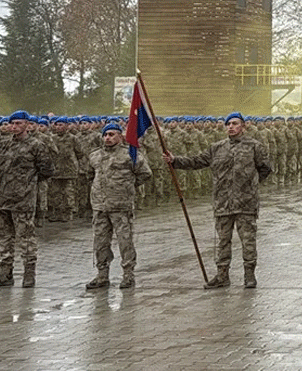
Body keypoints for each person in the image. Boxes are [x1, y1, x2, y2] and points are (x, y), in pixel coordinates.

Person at [165, 111, 273, 289]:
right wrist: (175, 160)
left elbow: (265, 168)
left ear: (243, 126)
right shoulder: (217, 147)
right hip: (223, 203)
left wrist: (250, 185)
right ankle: (222, 275)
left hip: (246, 204)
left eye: (235, 123)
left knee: (248, 241)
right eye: (228, 124)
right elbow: (197, 161)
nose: (231, 126)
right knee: (223, 241)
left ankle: (249, 275)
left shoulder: (254, 146)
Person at [84, 123, 152, 290]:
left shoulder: (130, 154)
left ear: (120, 136)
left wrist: (127, 186)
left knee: (124, 241)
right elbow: (88, 173)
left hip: (120, 205)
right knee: (100, 242)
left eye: (112, 134)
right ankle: (102, 275)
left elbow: (145, 173)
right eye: (105, 134)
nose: (108, 137)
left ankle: (128, 275)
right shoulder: (95, 155)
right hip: (100, 206)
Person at [0, 111, 56, 287]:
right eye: (12, 124)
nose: (14, 127)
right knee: (4, 237)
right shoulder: (4, 145)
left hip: (23, 200)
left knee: (26, 238)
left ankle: (29, 272)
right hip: (3, 199)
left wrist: (28, 182)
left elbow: (47, 170)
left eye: (18, 123)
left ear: (26, 124)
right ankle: (5, 273)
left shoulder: (36, 145)